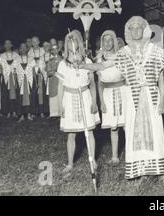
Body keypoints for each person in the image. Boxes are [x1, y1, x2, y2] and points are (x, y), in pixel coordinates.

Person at [81, 17, 164, 184]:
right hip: (132, 96)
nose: (135, 31)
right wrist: (83, 65)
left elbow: (161, 79)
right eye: (132, 28)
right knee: (135, 133)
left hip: (152, 96)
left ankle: (161, 173)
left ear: (144, 30)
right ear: (129, 31)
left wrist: (162, 101)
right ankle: (142, 171)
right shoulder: (124, 52)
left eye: (138, 28)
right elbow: (103, 66)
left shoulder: (154, 50)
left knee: (156, 132)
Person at [56, 30, 100, 174]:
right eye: (69, 41)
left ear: (80, 43)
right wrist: (60, 105)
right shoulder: (62, 64)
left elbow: (92, 83)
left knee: (89, 131)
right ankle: (69, 163)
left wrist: (94, 101)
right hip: (69, 98)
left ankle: (92, 159)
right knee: (71, 134)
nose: (72, 43)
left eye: (75, 40)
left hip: (85, 96)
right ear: (66, 44)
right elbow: (60, 86)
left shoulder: (87, 61)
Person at [96, 30, 126, 164]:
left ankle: (132, 153)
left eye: (110, 40)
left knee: (126, 124)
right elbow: (100, 82)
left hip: (123, 91)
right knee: (113, 127)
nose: (107, 43)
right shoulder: (99, 58)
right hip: (108, 93)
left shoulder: (121, 55)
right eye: (105, 40)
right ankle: (115, 156)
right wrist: (101, 101)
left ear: (114, 41)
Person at [0, 40, 20, 118]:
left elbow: (18, 66)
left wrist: (15, 75)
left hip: (14, 77)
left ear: (11, 45)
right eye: (6, 44)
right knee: (6, 95)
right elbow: (1, 67)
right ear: (4, 46)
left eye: (9, 44)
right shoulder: (2, 56)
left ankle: (15, 111)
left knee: (14, 95)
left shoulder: (16, 55)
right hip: (6, 78)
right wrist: (4, 76)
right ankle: (8, 112)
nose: (7, 45)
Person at [28, 36, 47, 118]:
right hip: (33, 75)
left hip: (41, 74)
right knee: (34, 93)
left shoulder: (43, 50)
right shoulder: (30, 52)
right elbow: (29, 65)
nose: (35, 43)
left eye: (36, 41)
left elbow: (44, 62)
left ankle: (42, 112)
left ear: (39, 42)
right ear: (31, 43)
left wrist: (41, 68)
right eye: (33, 42)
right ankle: (34, 112)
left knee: (41, 93)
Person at [17, 43, 35, 122]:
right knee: (20, 98)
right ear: (20, 49)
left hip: (29, 81)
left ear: (27, 49)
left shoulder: (31, 59)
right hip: (20, 81)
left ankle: (29, 115)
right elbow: (14, 71)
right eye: (22, 47)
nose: (23, 49)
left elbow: (34, 70)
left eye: (25, 47)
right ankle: (21, 116)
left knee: (30, 97)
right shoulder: (17, 59)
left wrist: (35, 81)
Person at [45, 43, 62, 118]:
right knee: (54, 96)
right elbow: (48, 72)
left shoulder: (63, 59)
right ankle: (54, 113)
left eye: (56, 48)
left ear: (59, 49)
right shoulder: (50, 60)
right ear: (51, 51)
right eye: (53, 49)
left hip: (61, 80)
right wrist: (52, 71)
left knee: (61, 96)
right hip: (53, 80)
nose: (55, 50)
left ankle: (61, 112)